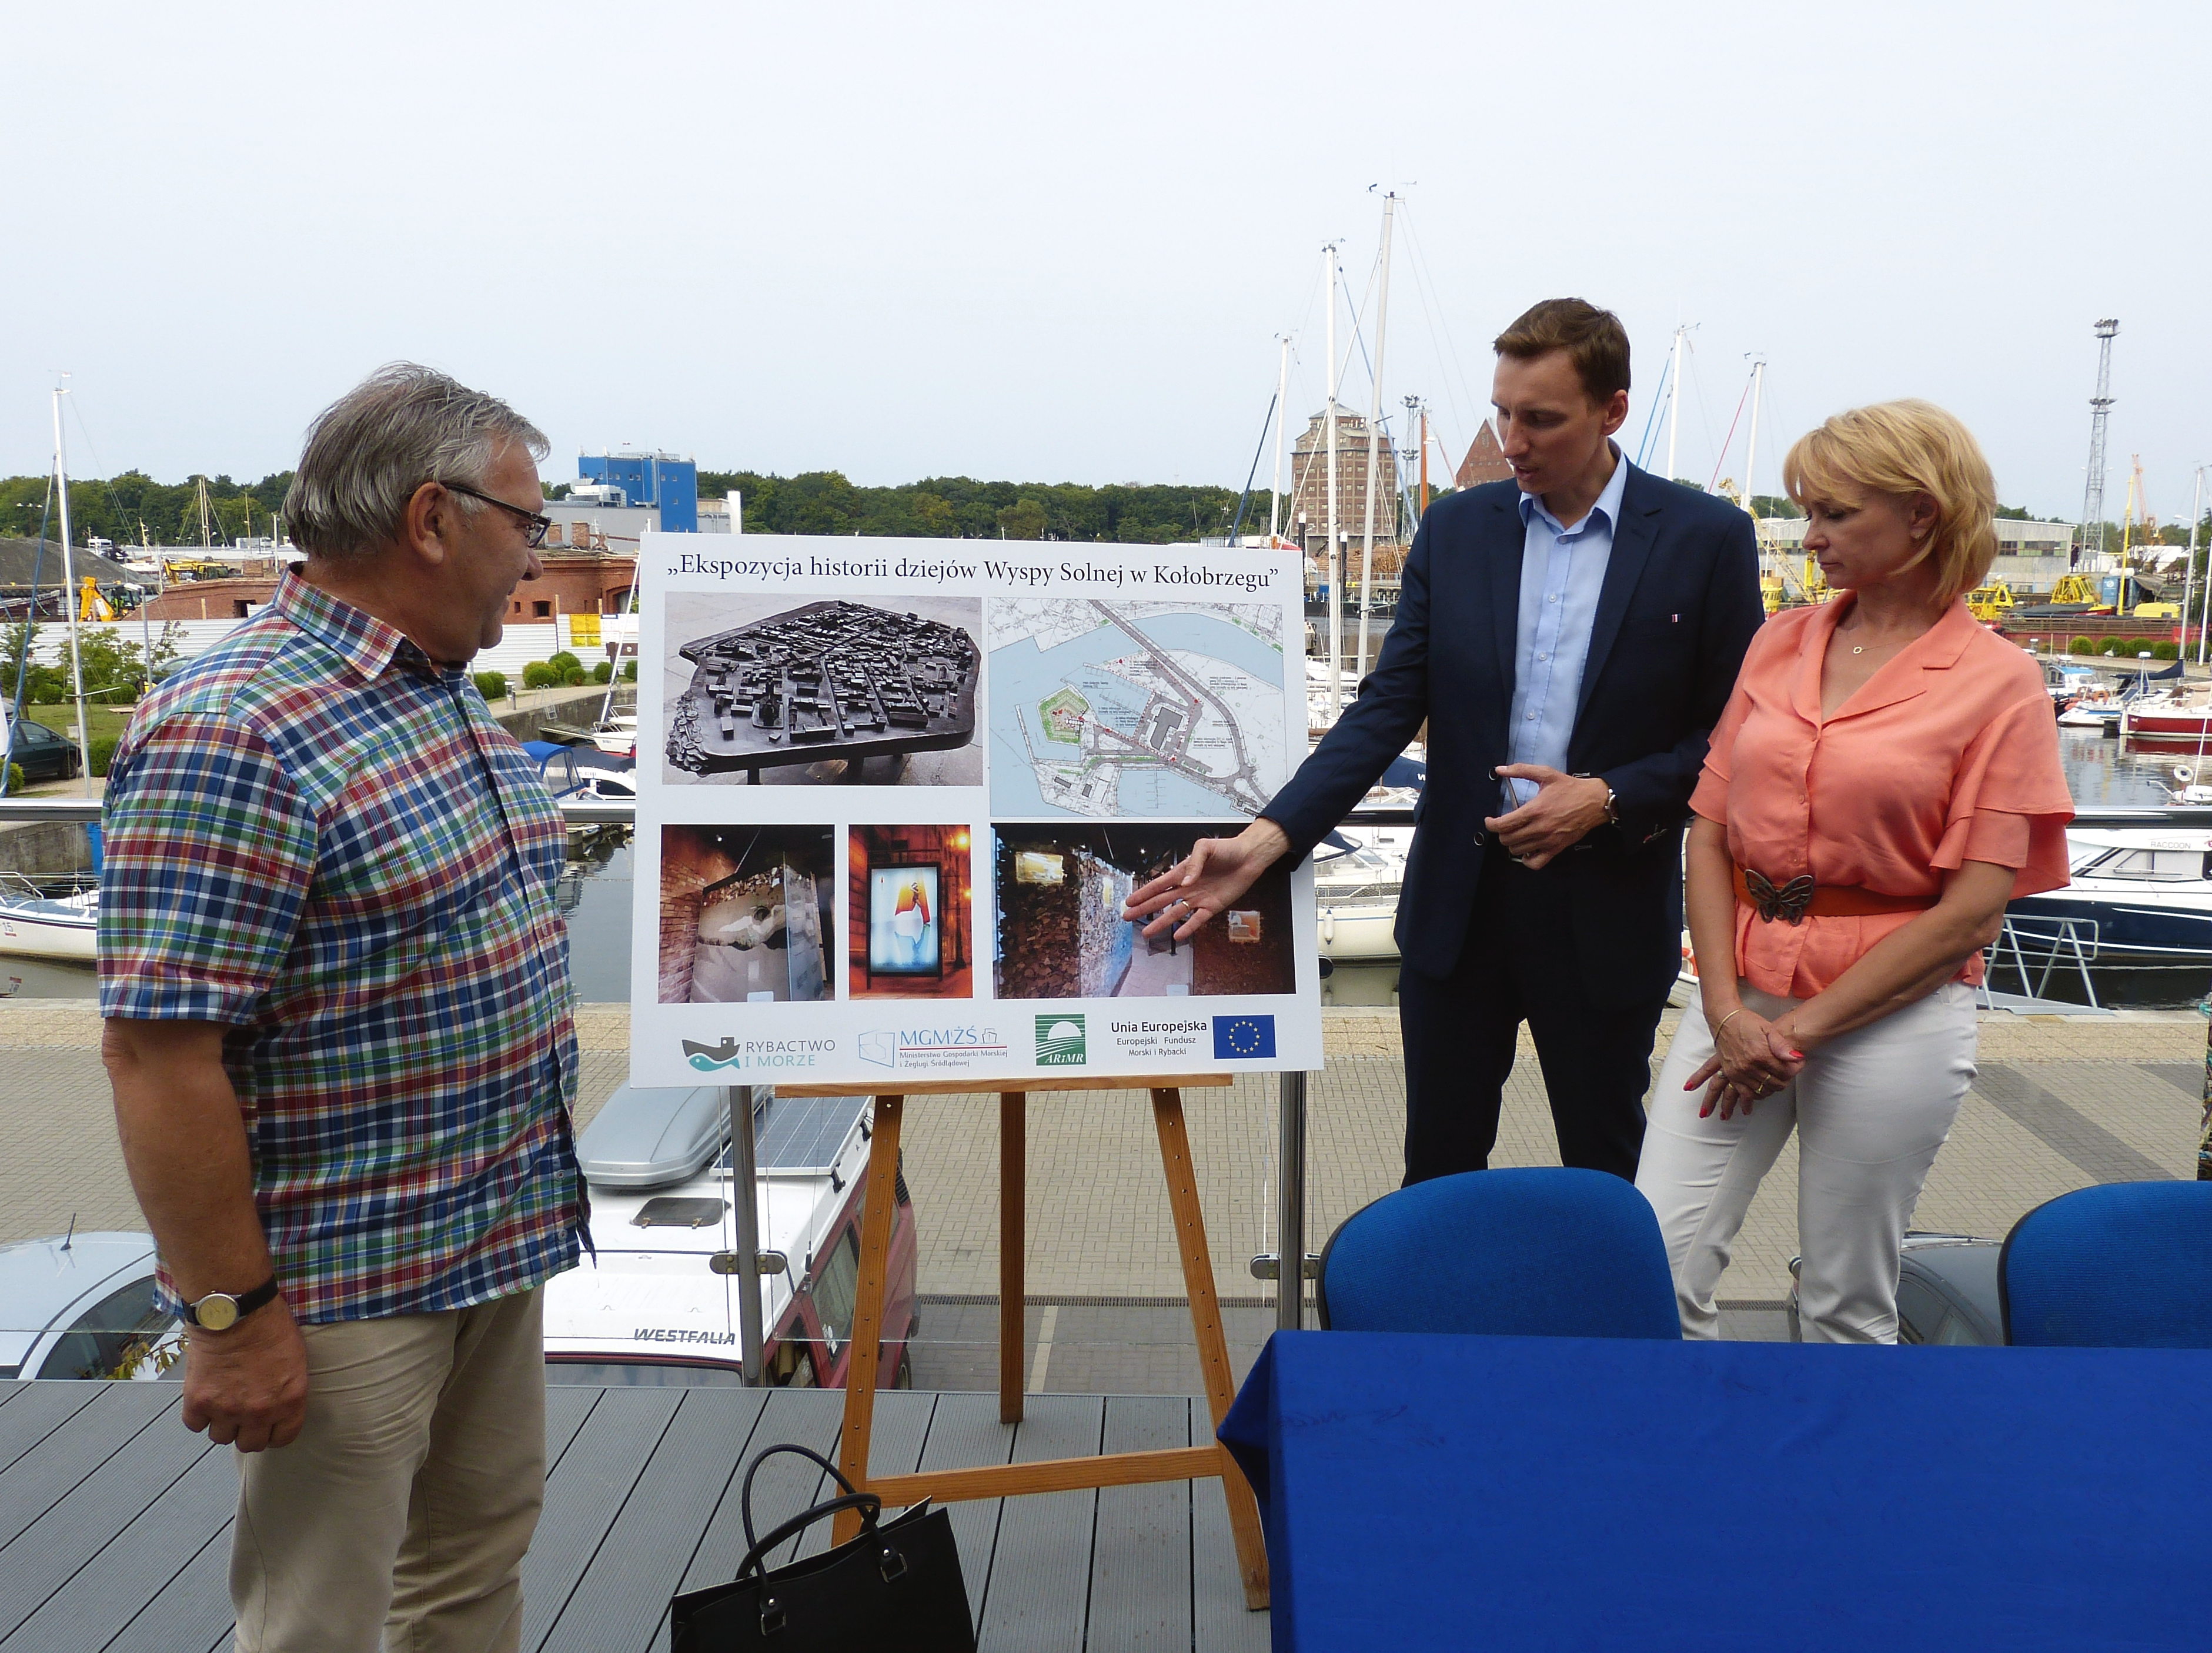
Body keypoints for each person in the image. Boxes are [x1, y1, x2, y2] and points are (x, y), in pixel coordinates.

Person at [99, 364, 586, 1651]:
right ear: (431, 519)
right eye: (528, 524)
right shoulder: (236, 727)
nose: (539, 555)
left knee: (472, 1563)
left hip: (492, 1240)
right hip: (345, 1287)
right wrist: (230, 1317)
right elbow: (156, 1054)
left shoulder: (436, 686)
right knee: (319, 1618)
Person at [1125, 298, 1766, 1183]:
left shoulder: (1706, 538)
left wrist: (1609, 796)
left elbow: (1733, 734)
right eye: (1503, 413)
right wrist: (1268, 840)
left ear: (1612, 411)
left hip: (1605, 911)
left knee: (1603, 1169)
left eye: (1540, 419)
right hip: (1459, 910)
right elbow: (1387, 706)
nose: (1512, 441)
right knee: (1436, 1167)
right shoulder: (1458, 529)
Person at [1634, 400, 2071, 1342]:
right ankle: (1694, 1437)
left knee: (1843, 1298)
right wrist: (1727, 1014)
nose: (1810, 536)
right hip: (1741, 999)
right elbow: (1708, 832)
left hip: (1891, 1016)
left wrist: (1790, 1036)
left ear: (1921, 514)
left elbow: (1971, 913)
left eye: (1833, 513)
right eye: (1808, 512)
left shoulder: (1997, 682)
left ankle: (1837, 1447)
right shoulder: (1780, 641)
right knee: (1652, 1268)